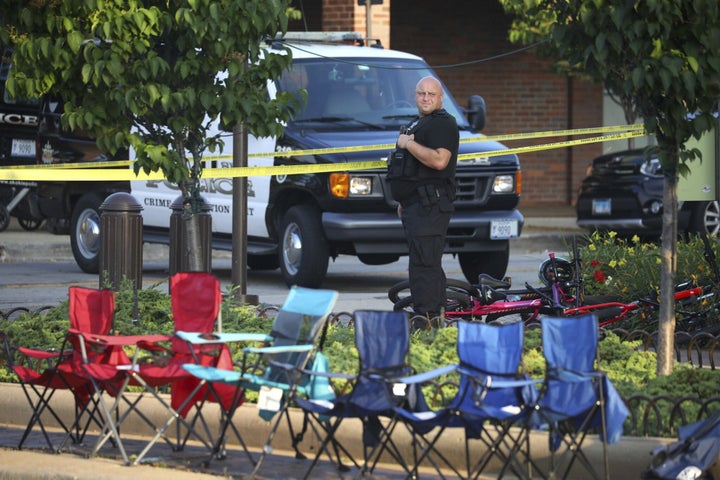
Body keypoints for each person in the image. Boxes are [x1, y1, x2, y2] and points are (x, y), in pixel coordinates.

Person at [387, 76, 459, 325]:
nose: (426, 98)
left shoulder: (444, 124)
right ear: (415, 96)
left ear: (440, 98)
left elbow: (439, 161)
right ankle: (431, 316)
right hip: (416, 206)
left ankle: (426, 318)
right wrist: (404, 200)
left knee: (426, 263)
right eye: (421, 93)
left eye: (431, 94)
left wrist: (408, 144)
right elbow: (412, 171)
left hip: (432, 206)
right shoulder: (420, 123)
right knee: (421, 262)